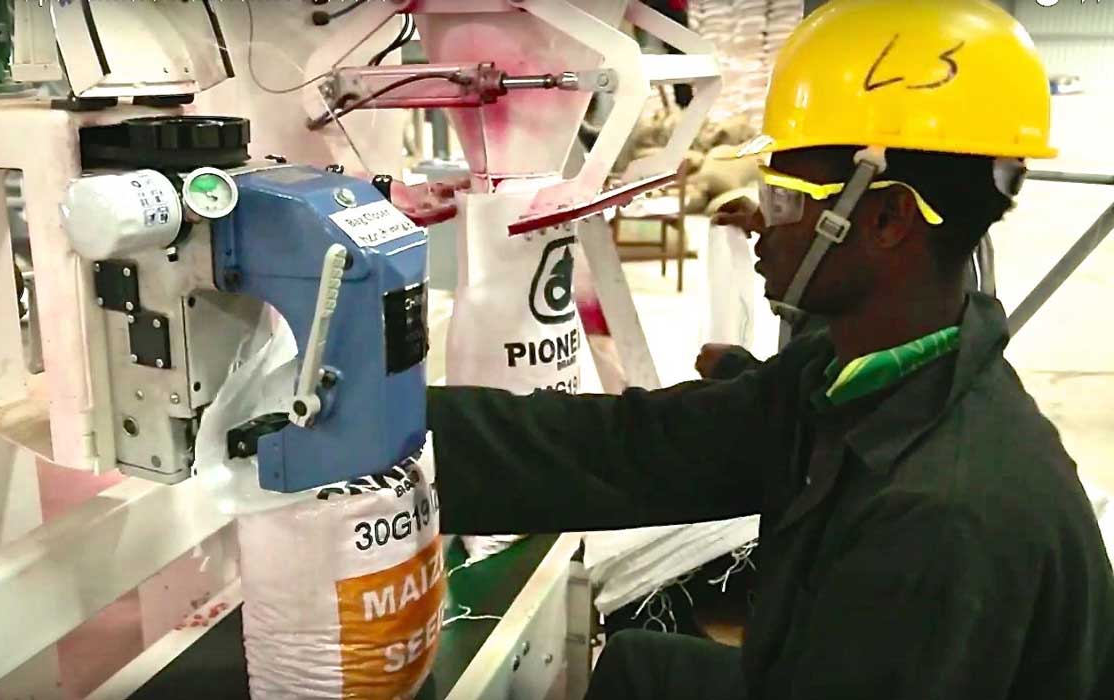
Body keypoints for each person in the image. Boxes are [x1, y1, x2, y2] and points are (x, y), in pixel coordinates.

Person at [427, 1, 1114, 698]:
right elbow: (637, 447)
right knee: (639, 666)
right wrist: (401, 440)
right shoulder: (857, 377)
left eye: (784, 199)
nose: (757, 220)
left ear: (884, 218)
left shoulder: (942, 519)